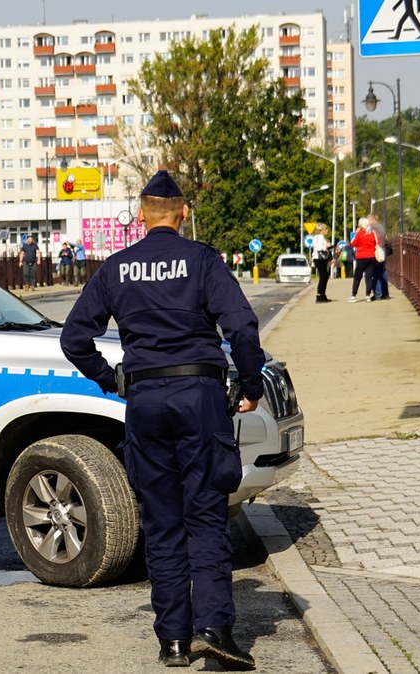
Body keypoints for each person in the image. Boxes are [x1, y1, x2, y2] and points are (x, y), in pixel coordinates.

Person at [60, 170, 263, 670]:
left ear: (140, 215)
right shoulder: (203, 261)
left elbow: (73, 339)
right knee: (206, 517)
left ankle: (172, 641)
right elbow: (241, 326)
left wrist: (111, 380)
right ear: (183, 214)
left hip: (145, 401)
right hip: (199, 397)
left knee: (164, 522)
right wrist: (252, 384)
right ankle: (213, 628)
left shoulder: (117, 268)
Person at [348, 216, 378, 302]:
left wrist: (355, 233)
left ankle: (353, 295)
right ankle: (368, 295)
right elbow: (377, 242)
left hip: (361, 257)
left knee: (357, 276)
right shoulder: (372, 233)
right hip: (372, 257)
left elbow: (353, 244)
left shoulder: (360, 234)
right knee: (368, 276)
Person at [369, 213, 390, 300]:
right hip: (383, 250)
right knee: (383, 272)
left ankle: (377, 294)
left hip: (377, 251)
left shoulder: (373, 227)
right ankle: (385, 293)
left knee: (376, 273)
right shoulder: (381, 226)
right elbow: (386, 238)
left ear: (373, 219)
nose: (368, 222)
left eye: (369, 220)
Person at [310, 227, 334, 302]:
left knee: (324, 277)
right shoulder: (320, 237)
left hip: (317, 259)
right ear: (321, 230)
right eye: (325, 229)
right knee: (323, 277)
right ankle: (319, 296)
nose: (327, 230)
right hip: (320, 259)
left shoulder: (316, 237)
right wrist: (327, 246)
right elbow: (319, 248)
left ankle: (322, 295)